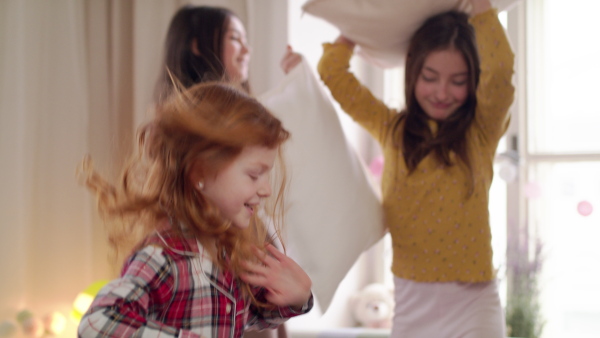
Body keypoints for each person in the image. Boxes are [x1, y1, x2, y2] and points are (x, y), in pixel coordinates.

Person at [317, 0, 514, 336]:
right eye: (430, 77)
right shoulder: (391, 128)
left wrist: (482, 11)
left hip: (475, 304)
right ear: (412, 72)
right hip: (410, 303)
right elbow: (333, 74)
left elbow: (500, 72)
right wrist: (356, 28)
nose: (441, 92)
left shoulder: (481, 131)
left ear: (473, 82)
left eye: (458, 81)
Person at [78, 82, 313, 337]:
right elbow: (97, 324)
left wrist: (296, 298)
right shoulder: (164, 256)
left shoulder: (225, 252)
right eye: (255, 175)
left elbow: (245, 316)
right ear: (200, 171)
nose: (266, 189)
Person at [154, 5, 301, 104]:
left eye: (245, 40)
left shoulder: (244, 110)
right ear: (197, 45)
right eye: (235, 38)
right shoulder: (185, 123)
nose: (247, 50)